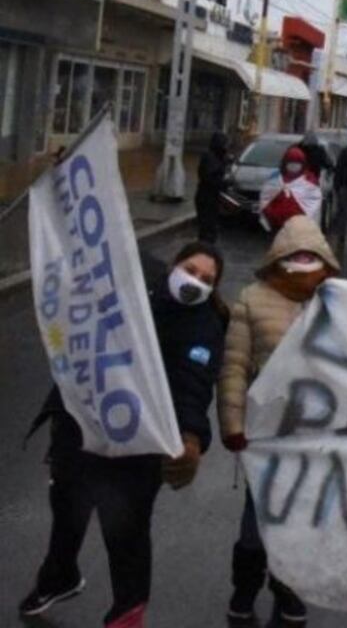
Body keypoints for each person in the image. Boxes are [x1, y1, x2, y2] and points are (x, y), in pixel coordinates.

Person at [19, 242, 229, 627]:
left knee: (125, 529)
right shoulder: (134, 284)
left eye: (206, 279)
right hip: (82, 421)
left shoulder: (204, 326)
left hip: (140, 442)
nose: (195, 281)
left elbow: (193, 385)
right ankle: (59, 578)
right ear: (174, 265)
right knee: (68, 506)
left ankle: (127, 613)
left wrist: (190, 437)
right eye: (190, 270)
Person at [219, 216, 340, 627]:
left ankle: (288, 592)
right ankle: (244, 590)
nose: (303, 265)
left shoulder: (337, 303)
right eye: (295, 256)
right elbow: (234, 366)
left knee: (300, 522)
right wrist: (233, 424)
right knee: (255, 524)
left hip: (315, 437)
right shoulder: (252, 300)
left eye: (311, 256)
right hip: (264, 435)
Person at [258, 147, 323, 232]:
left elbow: (314, 204)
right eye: (291, 162)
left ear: (303, 164)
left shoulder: (309, 180)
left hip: (300, 228)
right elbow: (266, 201)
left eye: (297, 163)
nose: (293, 166)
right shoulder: (275, 179)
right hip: (279, 227)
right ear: (285, 163)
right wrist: (273, 216)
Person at [195, 132, 229, 243]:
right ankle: (204, 246)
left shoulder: (218, 157)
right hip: (206, 197)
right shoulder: (209, 157)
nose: (225, 147)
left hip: (213, 197)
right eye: (224, 144)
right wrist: (223, 183)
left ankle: (207, 244)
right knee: (206, 228)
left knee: (211, 227)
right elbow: (209, 178)